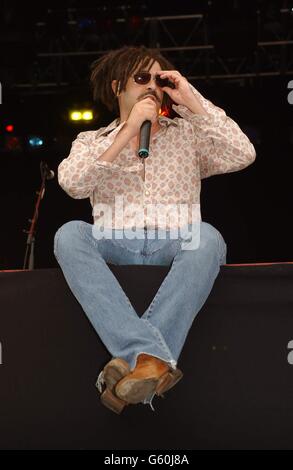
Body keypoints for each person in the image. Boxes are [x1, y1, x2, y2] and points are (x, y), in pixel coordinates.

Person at [54, 45, 256, 414]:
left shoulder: (187, 134)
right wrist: (127, 131)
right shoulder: (91, 141)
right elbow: (73, 185)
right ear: (118, 86)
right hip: (115, 239)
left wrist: (190, 98)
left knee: (208, 237)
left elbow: (243, 154)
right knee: (69, 234)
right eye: (141, 78)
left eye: (159, 79)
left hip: (175, 238)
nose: (152, 86)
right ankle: (148, 358)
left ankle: (131, 361)